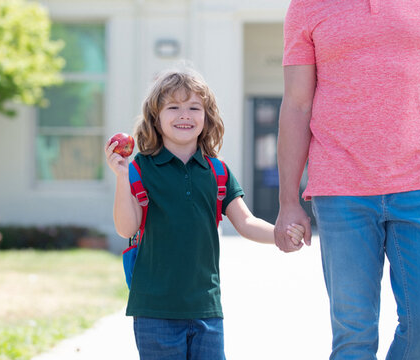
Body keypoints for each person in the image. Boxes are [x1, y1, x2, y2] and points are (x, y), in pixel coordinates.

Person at [274, 1, 420, 359]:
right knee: (353, 336)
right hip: (340, 190)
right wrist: (288, 201)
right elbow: (297, 103)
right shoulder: (306, 6)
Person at [105, 66, 305, 360]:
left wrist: (280, 234)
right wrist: (122, 177)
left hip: (206, 308)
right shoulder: (139, 169)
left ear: (206, 116)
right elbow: (126, 228)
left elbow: (246, 222)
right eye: (173, 107)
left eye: (194, 107)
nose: (184, 114)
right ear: (155, 119)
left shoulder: (217, 170)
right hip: (154, 309)